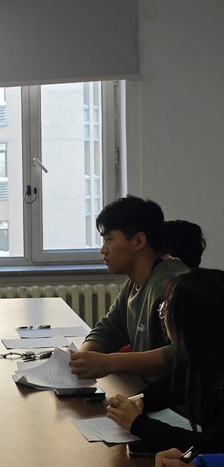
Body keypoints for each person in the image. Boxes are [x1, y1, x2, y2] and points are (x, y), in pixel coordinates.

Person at [69, 195, 188, 381]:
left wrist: (110, 363)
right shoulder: (134, 283)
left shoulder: (172, 285)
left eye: (109, 239)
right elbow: (110, 328)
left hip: (171, 398)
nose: (103, 250)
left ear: (139, 241)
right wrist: (84, 355)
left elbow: (185, 352)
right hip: (145, 390)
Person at [106, 268, 224, 455]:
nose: (162, 315)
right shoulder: (206, 353)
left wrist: (138, 423)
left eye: (167, 309)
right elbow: (176, 386)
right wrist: (141, 400)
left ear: (192, 321)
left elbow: (214, 446)